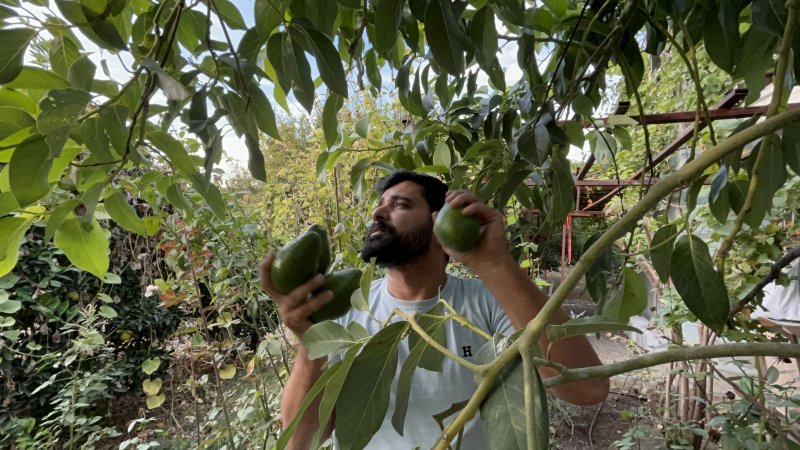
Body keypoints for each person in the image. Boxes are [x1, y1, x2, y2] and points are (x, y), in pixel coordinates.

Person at [261, 170, 609, 450]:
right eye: (380, 205)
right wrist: (310, 345)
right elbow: (302, 440)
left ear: (438, 221)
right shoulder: (346, 308)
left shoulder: (489, 301)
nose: (377, 213)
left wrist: (493, 262)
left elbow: (587, 389)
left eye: (399, 204)